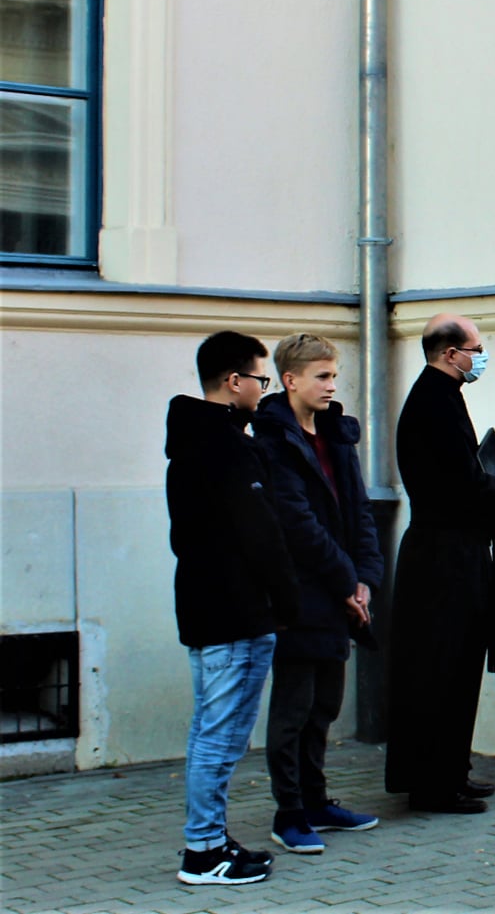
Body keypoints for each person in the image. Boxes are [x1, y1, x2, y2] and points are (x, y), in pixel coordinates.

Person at [166, 331, 300, 886]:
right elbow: (261, 533)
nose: (263, 390)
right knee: (220, 737)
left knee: (210, 731)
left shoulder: (192, 441)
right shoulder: (227, 447)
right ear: (233, 380)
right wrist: (287, 600)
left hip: (206, 606)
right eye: (260, 379)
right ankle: (203, 852)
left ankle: (210, 841)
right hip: (235, 611)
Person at [385, 314, 495, 814]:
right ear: (450, 353)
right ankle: (435, 784)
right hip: (442, 559)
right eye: (476, 349)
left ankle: (451, 771)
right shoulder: (433, 403)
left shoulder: (441, 396)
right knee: (440, 669)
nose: (480, 358)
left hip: (454, 549)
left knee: (460, 665)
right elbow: (462, 482)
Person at [252, 334, 384, 855]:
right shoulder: (273, 441)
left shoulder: (335, 434)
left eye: (334, 375)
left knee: (324, 705)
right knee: (294, 708)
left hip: (340, 594)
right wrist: (346, 580)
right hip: (300, 595)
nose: (332, 386)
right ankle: (288, 813)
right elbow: (297, 524)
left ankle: (315, 801)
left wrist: (364, 579)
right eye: (322, 376)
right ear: (290, 380)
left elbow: (360, 512)